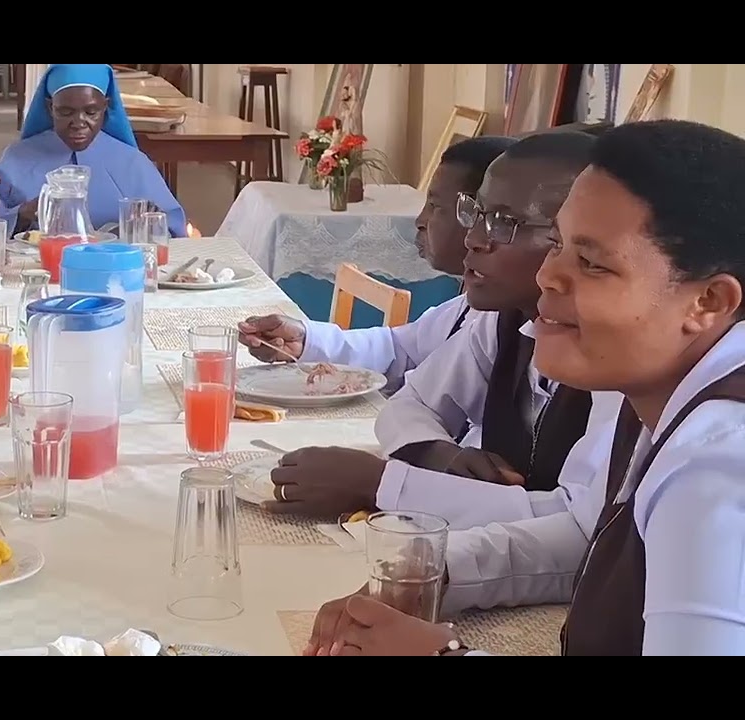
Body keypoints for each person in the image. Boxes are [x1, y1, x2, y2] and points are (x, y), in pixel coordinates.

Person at [313, 119, 745, 656]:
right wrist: (438, 571)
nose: (549, 277)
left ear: (708, 303)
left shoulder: (718, 460)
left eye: (590, 262)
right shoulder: (662, 392)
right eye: (558, 244)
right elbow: (589, 534)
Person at [266, 132, 598, 527]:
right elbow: (411, 400)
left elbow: (578, 526)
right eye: (475, 214)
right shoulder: (503, 322)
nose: (474, 239)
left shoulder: (618, 369)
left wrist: (382, 484)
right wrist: (442, 455)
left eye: (503, 223)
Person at [238, 136, 517, 396]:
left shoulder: (511, 331)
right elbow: (401, 349)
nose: (420, 220)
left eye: (435, 205)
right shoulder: (464, 307)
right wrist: (305, 341)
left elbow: (433, 402)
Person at [0, 63, 186, 238]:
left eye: (91, 112)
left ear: (105, 107)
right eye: (65, 112)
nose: (78, 123)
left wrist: (149, 223)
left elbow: (174, 228)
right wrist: (21, 214)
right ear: (51, 108)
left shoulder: (131, 161)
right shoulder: (17, 157)